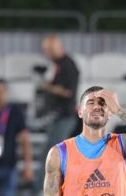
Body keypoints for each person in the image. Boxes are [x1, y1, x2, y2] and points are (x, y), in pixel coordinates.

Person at [40, 35, 80, 168]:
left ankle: (46, 186)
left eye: (50, 50)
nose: (48, 53)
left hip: (65, 116)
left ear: (59, 48)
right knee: (52, 151)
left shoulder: (68, 65)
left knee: (53, 152)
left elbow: (69, 92)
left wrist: (49, 87)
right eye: (46, 50)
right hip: (58, 115)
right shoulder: (57, 65)